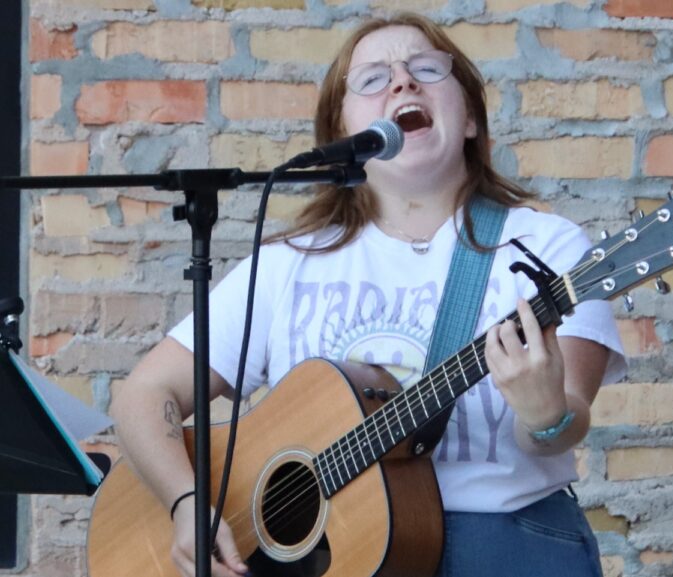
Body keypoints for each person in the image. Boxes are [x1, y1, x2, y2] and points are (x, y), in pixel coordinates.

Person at [110, 11, 626, 577]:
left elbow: (559, 432)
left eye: (428, 68)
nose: (403, 81)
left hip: (501, 546)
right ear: (342, 137)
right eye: (373, 78)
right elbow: (143, 394)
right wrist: (187, 503)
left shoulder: (542, 247)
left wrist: (545, 411)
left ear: (472, 119)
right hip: (331, 558)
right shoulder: (288, 265)